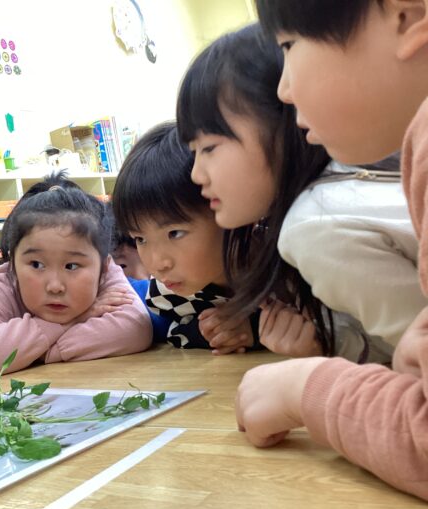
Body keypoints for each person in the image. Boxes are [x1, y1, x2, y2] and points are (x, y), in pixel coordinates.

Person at [235, 0, 428, 501]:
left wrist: (307, 389)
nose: (284, 88)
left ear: (408, 17)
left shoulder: (313, 222)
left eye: (289, 46)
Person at [176, 22, 413, 364]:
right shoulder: (344, 185)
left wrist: (309, 390)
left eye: (210, 147)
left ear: (286, 123)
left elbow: (417, 361)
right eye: (193, 151)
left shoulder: (315, 225)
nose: (197, 174)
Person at [0, 172, 152, 376]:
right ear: (13, 263)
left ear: (104, 266)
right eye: (36, 264)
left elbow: (136, 328)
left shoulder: (105, 270)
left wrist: (44, 353)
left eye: (71, 266)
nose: (55, 286)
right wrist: (76, 319)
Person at [112, 121, 260, 353]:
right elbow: (171, 328)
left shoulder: (281, 271)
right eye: (140, 239)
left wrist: (257, 329)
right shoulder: (168, 292)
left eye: (175, 233)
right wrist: (211, 332)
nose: (157, 264)